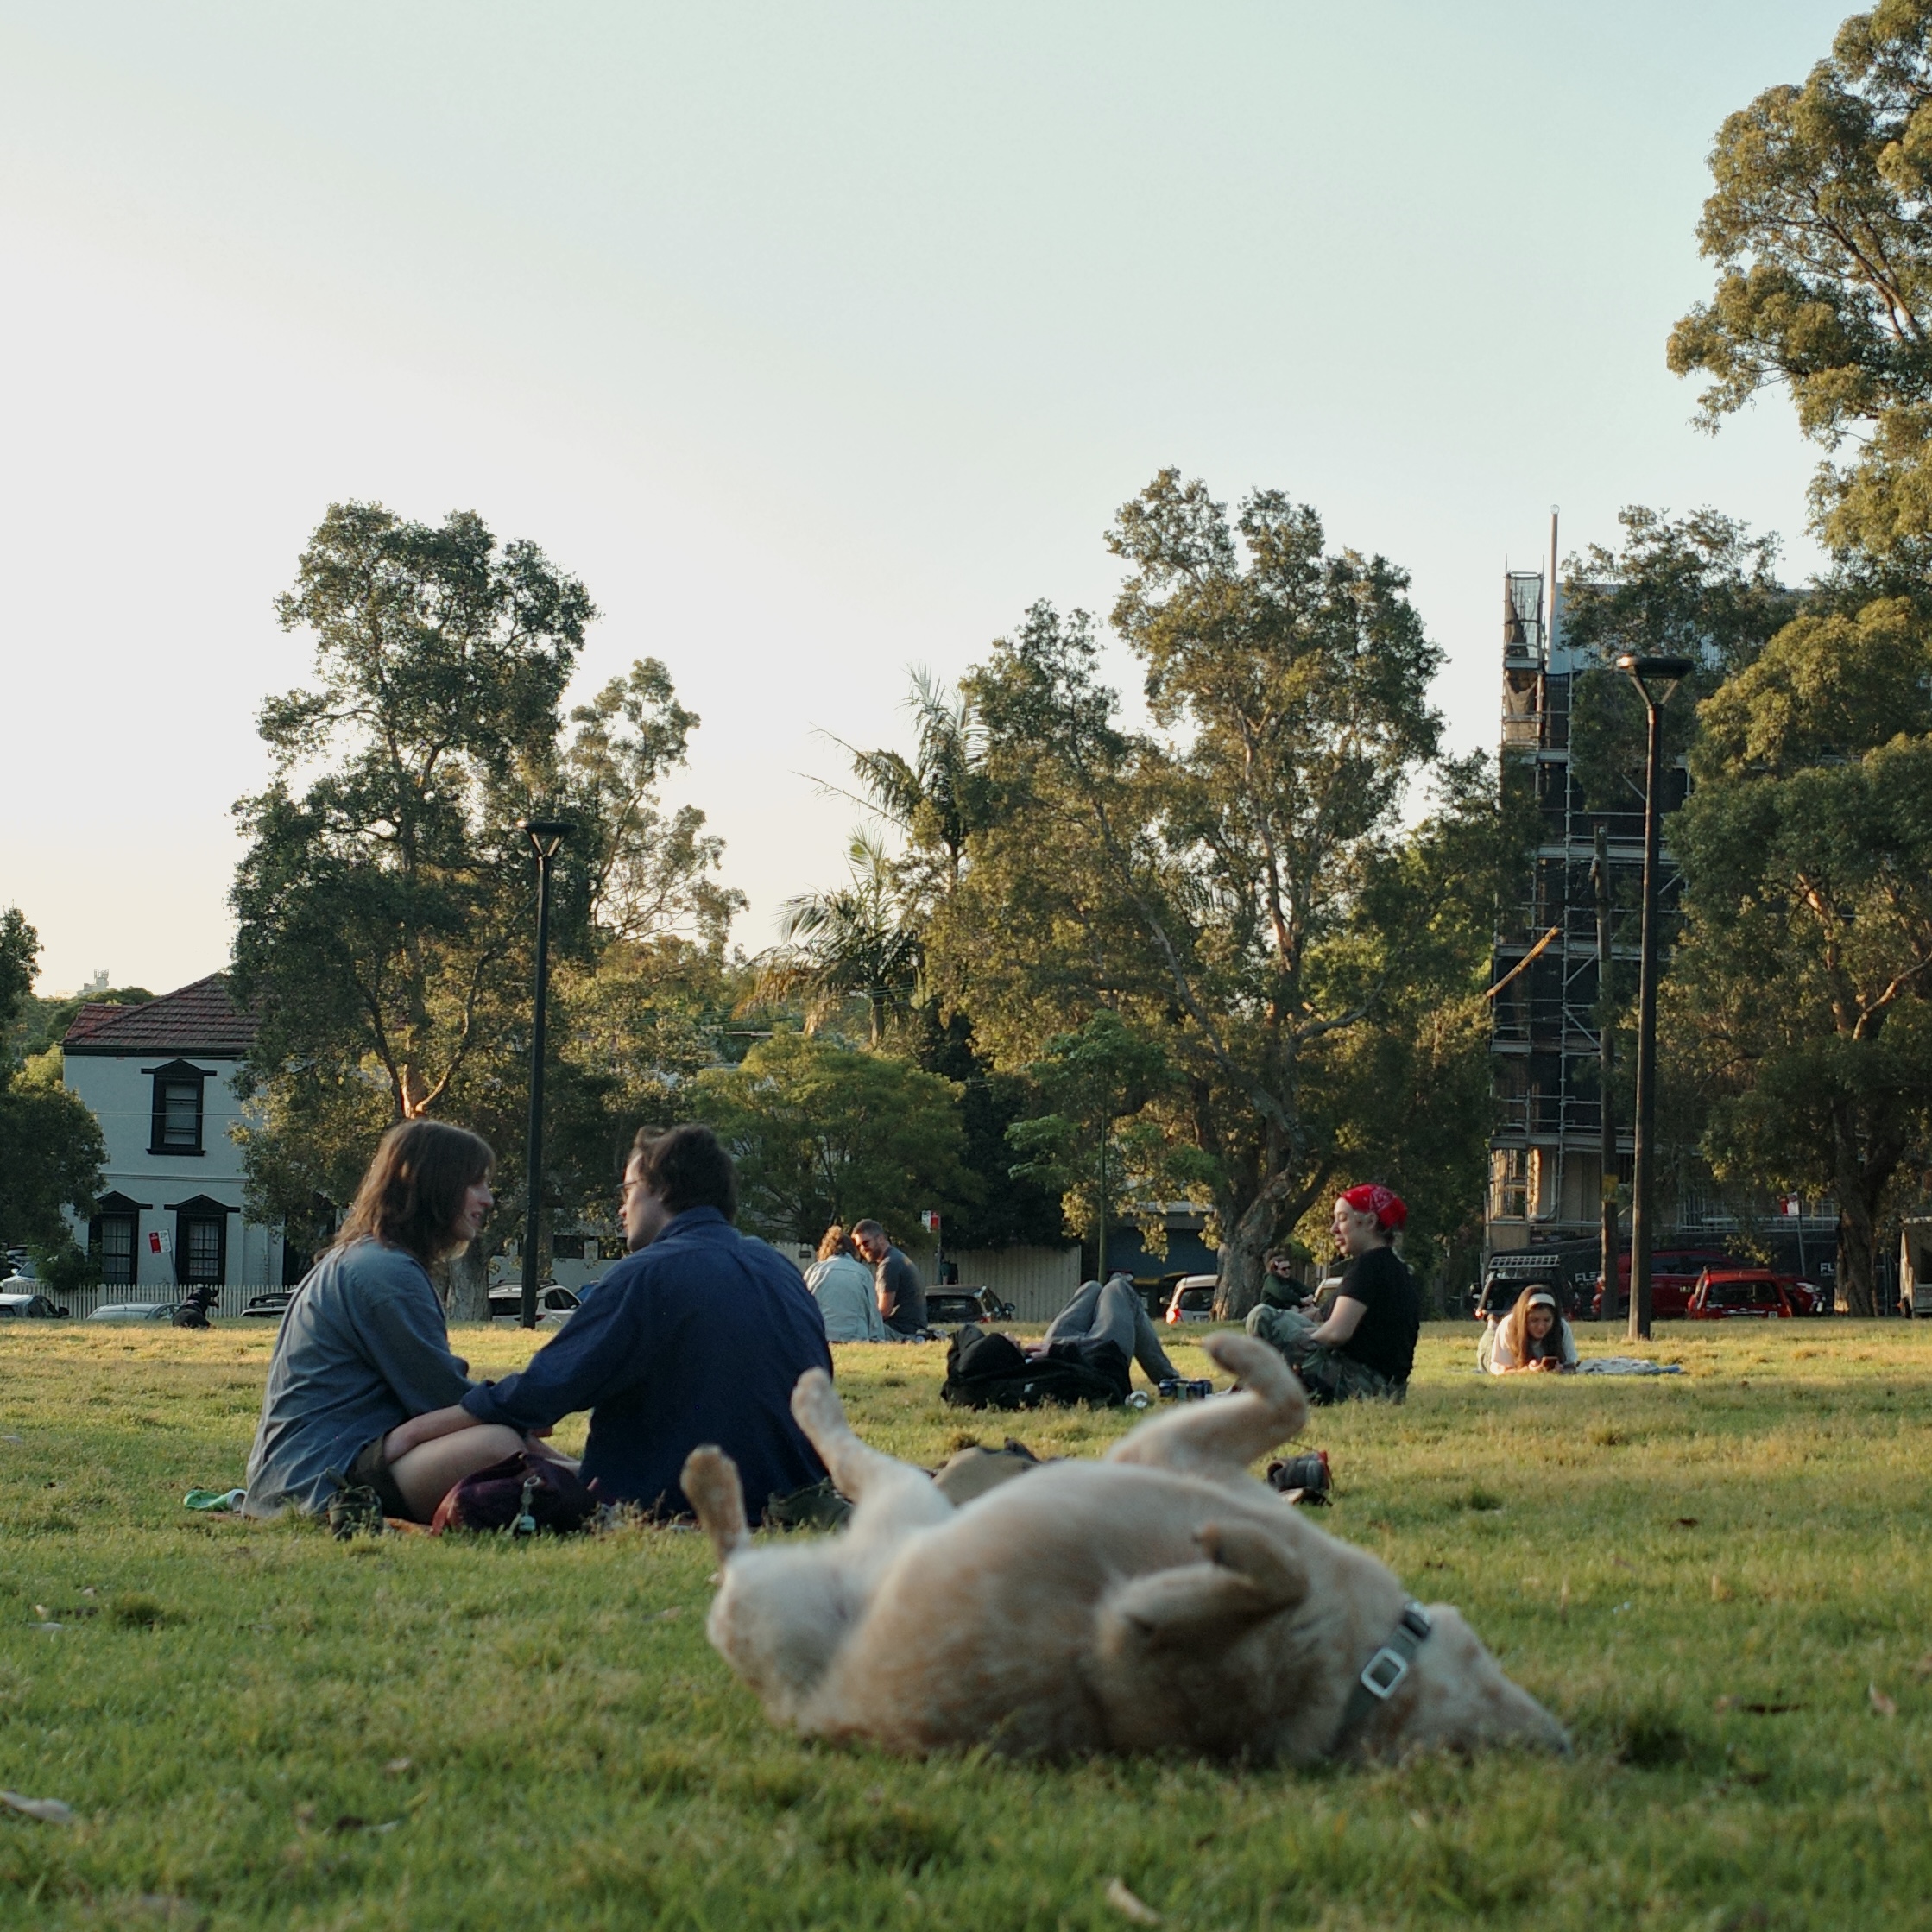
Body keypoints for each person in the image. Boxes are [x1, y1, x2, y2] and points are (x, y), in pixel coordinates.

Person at [384, 1123, 832, 1520]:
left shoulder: (648, 1274)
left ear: (662, 1189)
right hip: (790, 1493)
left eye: (627, 1191)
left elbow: (540, 1393)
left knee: (492, 1469)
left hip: (672, 1498)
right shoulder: (779, 1270)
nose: (622, 1209)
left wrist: (411, 1435)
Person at [243, 1121, 540, 1522]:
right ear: (435, 1185)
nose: (488, 1200)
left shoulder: (366, 1258)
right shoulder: (386, 1274)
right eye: (476, 1184)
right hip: (321, 1482)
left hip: (304, 1472)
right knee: (498, 1444)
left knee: (506, 1436)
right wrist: (521, 1412)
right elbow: (444, 1399)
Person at [1244, 1184, 1421, 1403]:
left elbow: (1337, 1333)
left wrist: (1290, 1344)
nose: (1333, 1229)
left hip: (1362, 1385)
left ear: (1369, 1222)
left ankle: (1256, 1393)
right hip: (1390, 1388)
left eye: (1342, 1219)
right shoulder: (1394, 1266)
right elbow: (1322, 1316)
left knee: (1261, 1317)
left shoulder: (1369, 1266)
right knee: (1282, 1320)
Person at [1034, 1268, 1182, 1396]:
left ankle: (1170, 1378)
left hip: (1053, 1350)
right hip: (1100, 1353)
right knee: (1118, 1287)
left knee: (1091, 1287)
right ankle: (1170, 1380)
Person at [805, 1225, 889, 1342]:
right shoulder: (862, 1273)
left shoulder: (814, 1271)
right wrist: (878, 1339)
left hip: (821, 1337)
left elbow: (803, 1307)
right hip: (855, 1338)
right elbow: (873, 1315)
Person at [851, 1220, 927, 1337]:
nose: (862, 1249)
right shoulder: (898, 1257)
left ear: (880, 1239)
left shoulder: (889, 1265)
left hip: (901, 1331)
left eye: (866, 1243)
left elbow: (883, 1312)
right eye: (858, 1246)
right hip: (915, 1327)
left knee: (853, 1331)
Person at [1481, 1288, 1577, 1374]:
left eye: (1547, 1320)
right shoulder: (1509, 1325)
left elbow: (1571, 1366)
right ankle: (1492, 1323)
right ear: (1523, 1318)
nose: (1541, 1327)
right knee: (1490, 1338)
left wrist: (1560, 1370)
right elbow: (1498, 1369)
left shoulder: (1561, 1327)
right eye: (1534, 1320)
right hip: (1493, 1348)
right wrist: (1527, 1371)